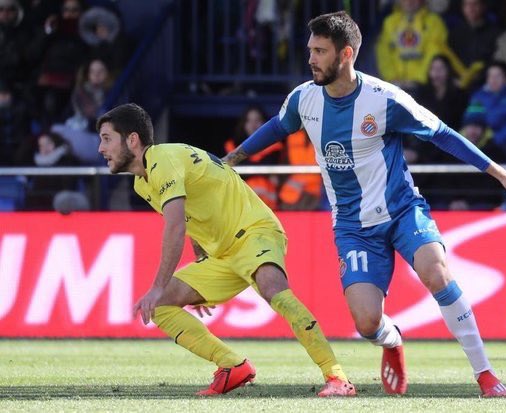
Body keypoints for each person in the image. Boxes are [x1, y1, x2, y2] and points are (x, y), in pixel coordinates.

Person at [224, 11, 506, 397]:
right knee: (367, 322)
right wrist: (232, 159)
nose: (311, 59)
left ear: (346, 54)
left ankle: (485, 374)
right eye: (310, 50)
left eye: (320, 51)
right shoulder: (303, 99)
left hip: (403, 211)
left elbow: (443, 134)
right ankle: (392, 342)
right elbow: (277, 126)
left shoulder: (384, 99)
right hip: (353, 227)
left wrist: (501, 174)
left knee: (436, 273)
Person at [96, 103, 355, 397]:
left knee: (274, 291)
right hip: (223, 254)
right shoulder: (143, 183)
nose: (101, 149)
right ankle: (233, 365)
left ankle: (337, 377)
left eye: (107, 139)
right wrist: (201, 263)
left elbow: (175, 227)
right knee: (163, 305)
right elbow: (192, 216)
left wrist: (157, 285)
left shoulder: (162, 161)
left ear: (132, 140)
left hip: (255, 231)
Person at [224, 105, 283, 210]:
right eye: (249, 121)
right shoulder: (231, 145)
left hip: (269, 205)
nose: (253, 125)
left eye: (257, 120)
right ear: (244, 124)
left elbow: (270, 167)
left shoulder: (275, 146)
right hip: (240, 204)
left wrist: (246, 169)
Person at [466, 60, 506, 158]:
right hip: (480, 140)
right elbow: (471, 120)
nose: (493, 79)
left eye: (498, 76)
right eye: (490, 76)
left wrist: (496, 138)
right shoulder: (478, 96)